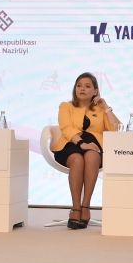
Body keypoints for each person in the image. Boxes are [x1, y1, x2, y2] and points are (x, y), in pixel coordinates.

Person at [51, 72, 120, 229]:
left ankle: (85, 206)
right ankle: (76, 208)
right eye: (79, 85)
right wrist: (81, 143)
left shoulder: (101, 110)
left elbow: (115, 130)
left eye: (87, 86)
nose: (82, 89)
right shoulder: (66, 106)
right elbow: (66, 128)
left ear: (95, 91)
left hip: (94, 145)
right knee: (77, 159)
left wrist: (106, 107)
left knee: (92, 157)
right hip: (70, 144)